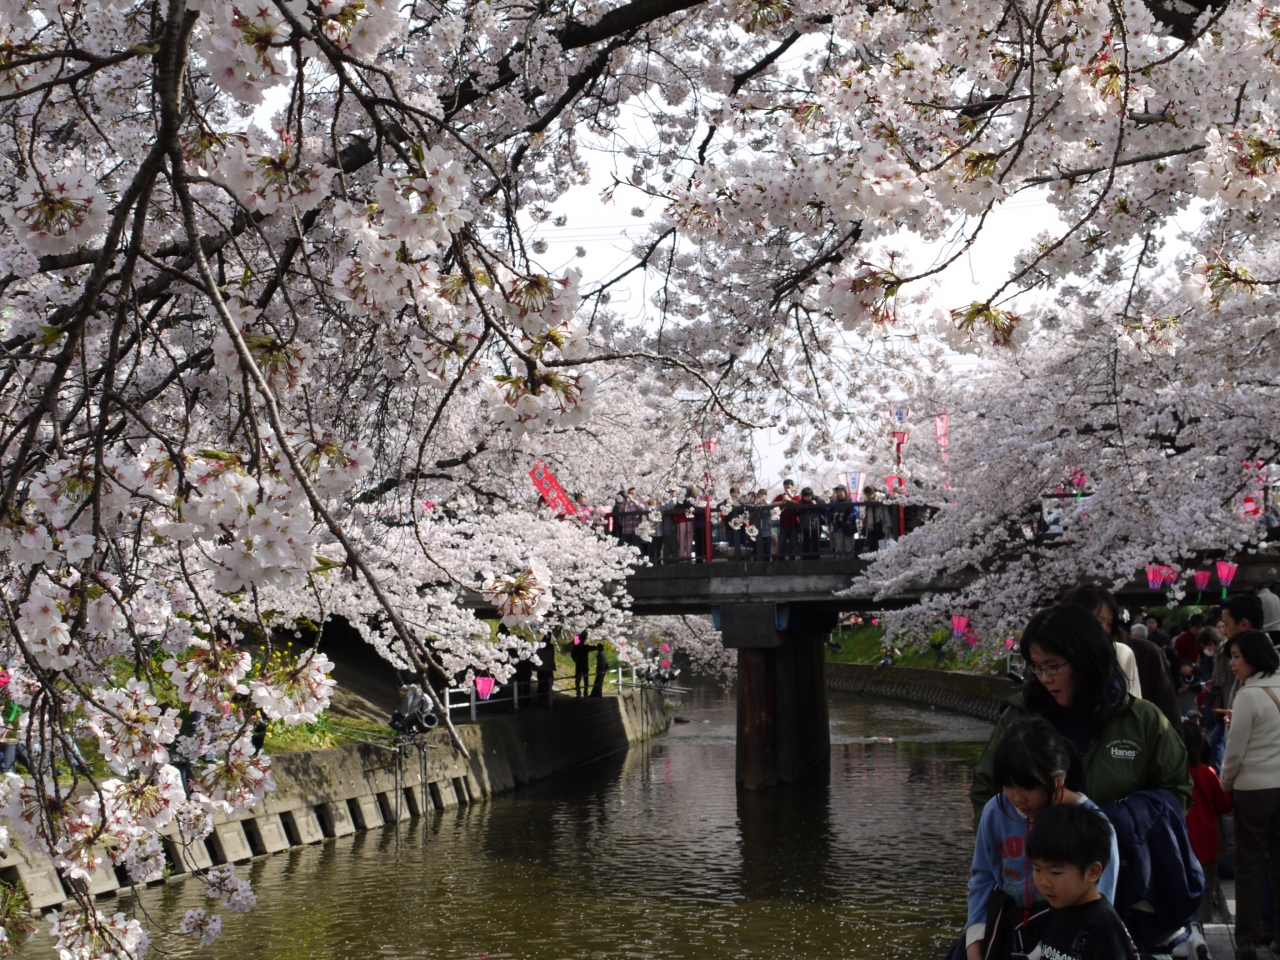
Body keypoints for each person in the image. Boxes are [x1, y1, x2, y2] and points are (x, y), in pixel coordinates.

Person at [972, 604, 1192, 821]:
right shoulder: (1018, 716)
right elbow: (986, 789)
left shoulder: (1142, 719)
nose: (1045, 678)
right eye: (1036, 667)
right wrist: (1006, 841)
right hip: (1032, 855)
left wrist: (1108, 819)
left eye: (1053, 666)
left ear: (1086, 660)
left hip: (1122, 853)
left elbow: (1178, 792)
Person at [960, 717, 1120, 960]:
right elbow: (982, 877)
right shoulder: (995, 811)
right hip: (1007, 928)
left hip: (1065, 936)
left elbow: (1100, 901)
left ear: (1058, 780)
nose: (1017, 799)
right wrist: (974, 943)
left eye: (1028, 787)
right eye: (1008, 785)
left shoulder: (1090, 825)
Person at [1220, 629, 1280, 960]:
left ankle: (1246, 938)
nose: (1232, 663)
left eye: (1236, 656)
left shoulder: (1248, 695)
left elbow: (1235, 751)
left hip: (1254, 791)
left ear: (1253, 657)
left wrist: (1225, 783)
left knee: (1249, 865)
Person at [1061, 583, 1182, 731]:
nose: (1104, 630)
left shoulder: (1146, 653)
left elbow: (1168, 716)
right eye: (1097, 621)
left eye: (1109, 623)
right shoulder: (1062, 657)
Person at [1027, 804, 1140, 960]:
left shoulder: (1104, 928)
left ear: (1092, 872)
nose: (1044, 882)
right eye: (1037, 869)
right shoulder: (1058, 908)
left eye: (1055, 873)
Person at [1183, 719, 1233, 936]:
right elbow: (1224, 805)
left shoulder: (1172, 773)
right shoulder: (1207, 773)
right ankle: (1200, 929)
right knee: (1205, 890)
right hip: (1207, 842)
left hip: (1182, 843)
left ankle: (1185, 929)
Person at [773, 479, 800, 560]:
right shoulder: (781, 496)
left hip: (794, 524)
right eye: (785, 488)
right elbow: (773, 503)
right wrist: (782, 502)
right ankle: (781, 562)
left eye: (789, 487)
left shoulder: (797, 496)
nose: (787, 489)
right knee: (781, 545)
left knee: (793, 545)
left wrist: (790, 500)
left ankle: (792, 560)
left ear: (792, 487)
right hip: (783, 525)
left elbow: (799, 504)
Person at [826, 485, 856, 556]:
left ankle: (849, 562)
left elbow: (855, 512)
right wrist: (833, 514)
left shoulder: (851, 501)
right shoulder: (834, 502)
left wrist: (850, 518)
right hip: (838, 526)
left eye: (841, 491)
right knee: (839, 547)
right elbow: (829, 512)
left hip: (848, 526)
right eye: (838, 491)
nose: (839, 493)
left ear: (845, 492)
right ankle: (839, 564)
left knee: (849, 546)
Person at [797, 486, 825, 559]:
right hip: (804, 527)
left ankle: (816, 560)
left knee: (815, 544)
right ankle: (805, 560)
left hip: (815, 526)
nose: (807, 498)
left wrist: (816, 505)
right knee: (805, 544)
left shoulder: (818, 499)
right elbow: (796, 512)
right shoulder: (801, 502)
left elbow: (824, 509)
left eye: (809, 496)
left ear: (811, 495)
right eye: (805, 496)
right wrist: (799, 508)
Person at [674, 486, 698, 561]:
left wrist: (676, 520)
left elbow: (676, 513)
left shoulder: (679, 501)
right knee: (689, 540)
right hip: (689, 521)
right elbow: (692, 511)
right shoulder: (692, 501)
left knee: (681, 541)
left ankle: (681, 557)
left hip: (681, 522)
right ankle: (688, 556)